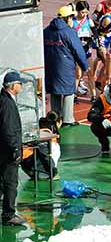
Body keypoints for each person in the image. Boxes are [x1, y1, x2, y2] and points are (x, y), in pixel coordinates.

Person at [43, 5, 89, 126]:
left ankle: (56, 117)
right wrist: (84, 65)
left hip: (50, 66)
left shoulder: (46, 31)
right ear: (67, 18)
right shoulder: (69, 32)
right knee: (68, 91)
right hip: (66, 66)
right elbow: (78, 50)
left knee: (54, 91)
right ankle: (68, 118)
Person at [0, 72, 26, 226]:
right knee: (10, 183)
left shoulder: (3, 99)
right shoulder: (8, 104)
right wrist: (15, 149)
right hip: (8, 151)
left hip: (2, 149)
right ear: (13, 85)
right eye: (20, 83)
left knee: (2, 182)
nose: (21, 86)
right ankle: (9, 215)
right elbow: (9, 129)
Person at [87, 81, 111, 154]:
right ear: (110, 93)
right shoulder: (102, 100)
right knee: (94, 127)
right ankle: (104, 143)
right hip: (106, 126)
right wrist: (102, 119)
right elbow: (91, 115)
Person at [21, 111, 62, 180]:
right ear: (58, 122)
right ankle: (47, 172)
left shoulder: (38, 127)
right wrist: (53, 172)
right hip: (35, 168)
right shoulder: (48, 136)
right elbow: (44, 154)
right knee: (53, 148)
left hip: (25, 165)